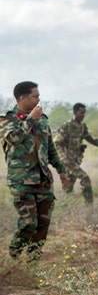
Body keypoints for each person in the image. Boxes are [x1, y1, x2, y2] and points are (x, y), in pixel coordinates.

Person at [2, 81, 69, 261]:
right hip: (21, 181)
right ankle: (13, 258)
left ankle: (33, 262)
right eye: (35, 96)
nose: (39, 99)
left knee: (43, 224)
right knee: (28, 223)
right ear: (22, 98)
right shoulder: (7, 119)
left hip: (43, 180)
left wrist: (61, 170)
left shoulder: (43, 120)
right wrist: (30, 118)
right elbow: (13, 139)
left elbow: (50, 149)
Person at [54, 103, 98, 204]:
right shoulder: (67, 126)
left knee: (68, 187)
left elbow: (92, 140)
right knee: (85, 178)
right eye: (80, 113)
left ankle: (62, 206)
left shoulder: (82, 127)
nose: (82, 115)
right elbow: (56, 143)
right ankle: (89, 207)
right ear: (75, 113)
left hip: (76, 160)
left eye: (84, 113)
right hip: (68, 161)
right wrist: (63, 158)